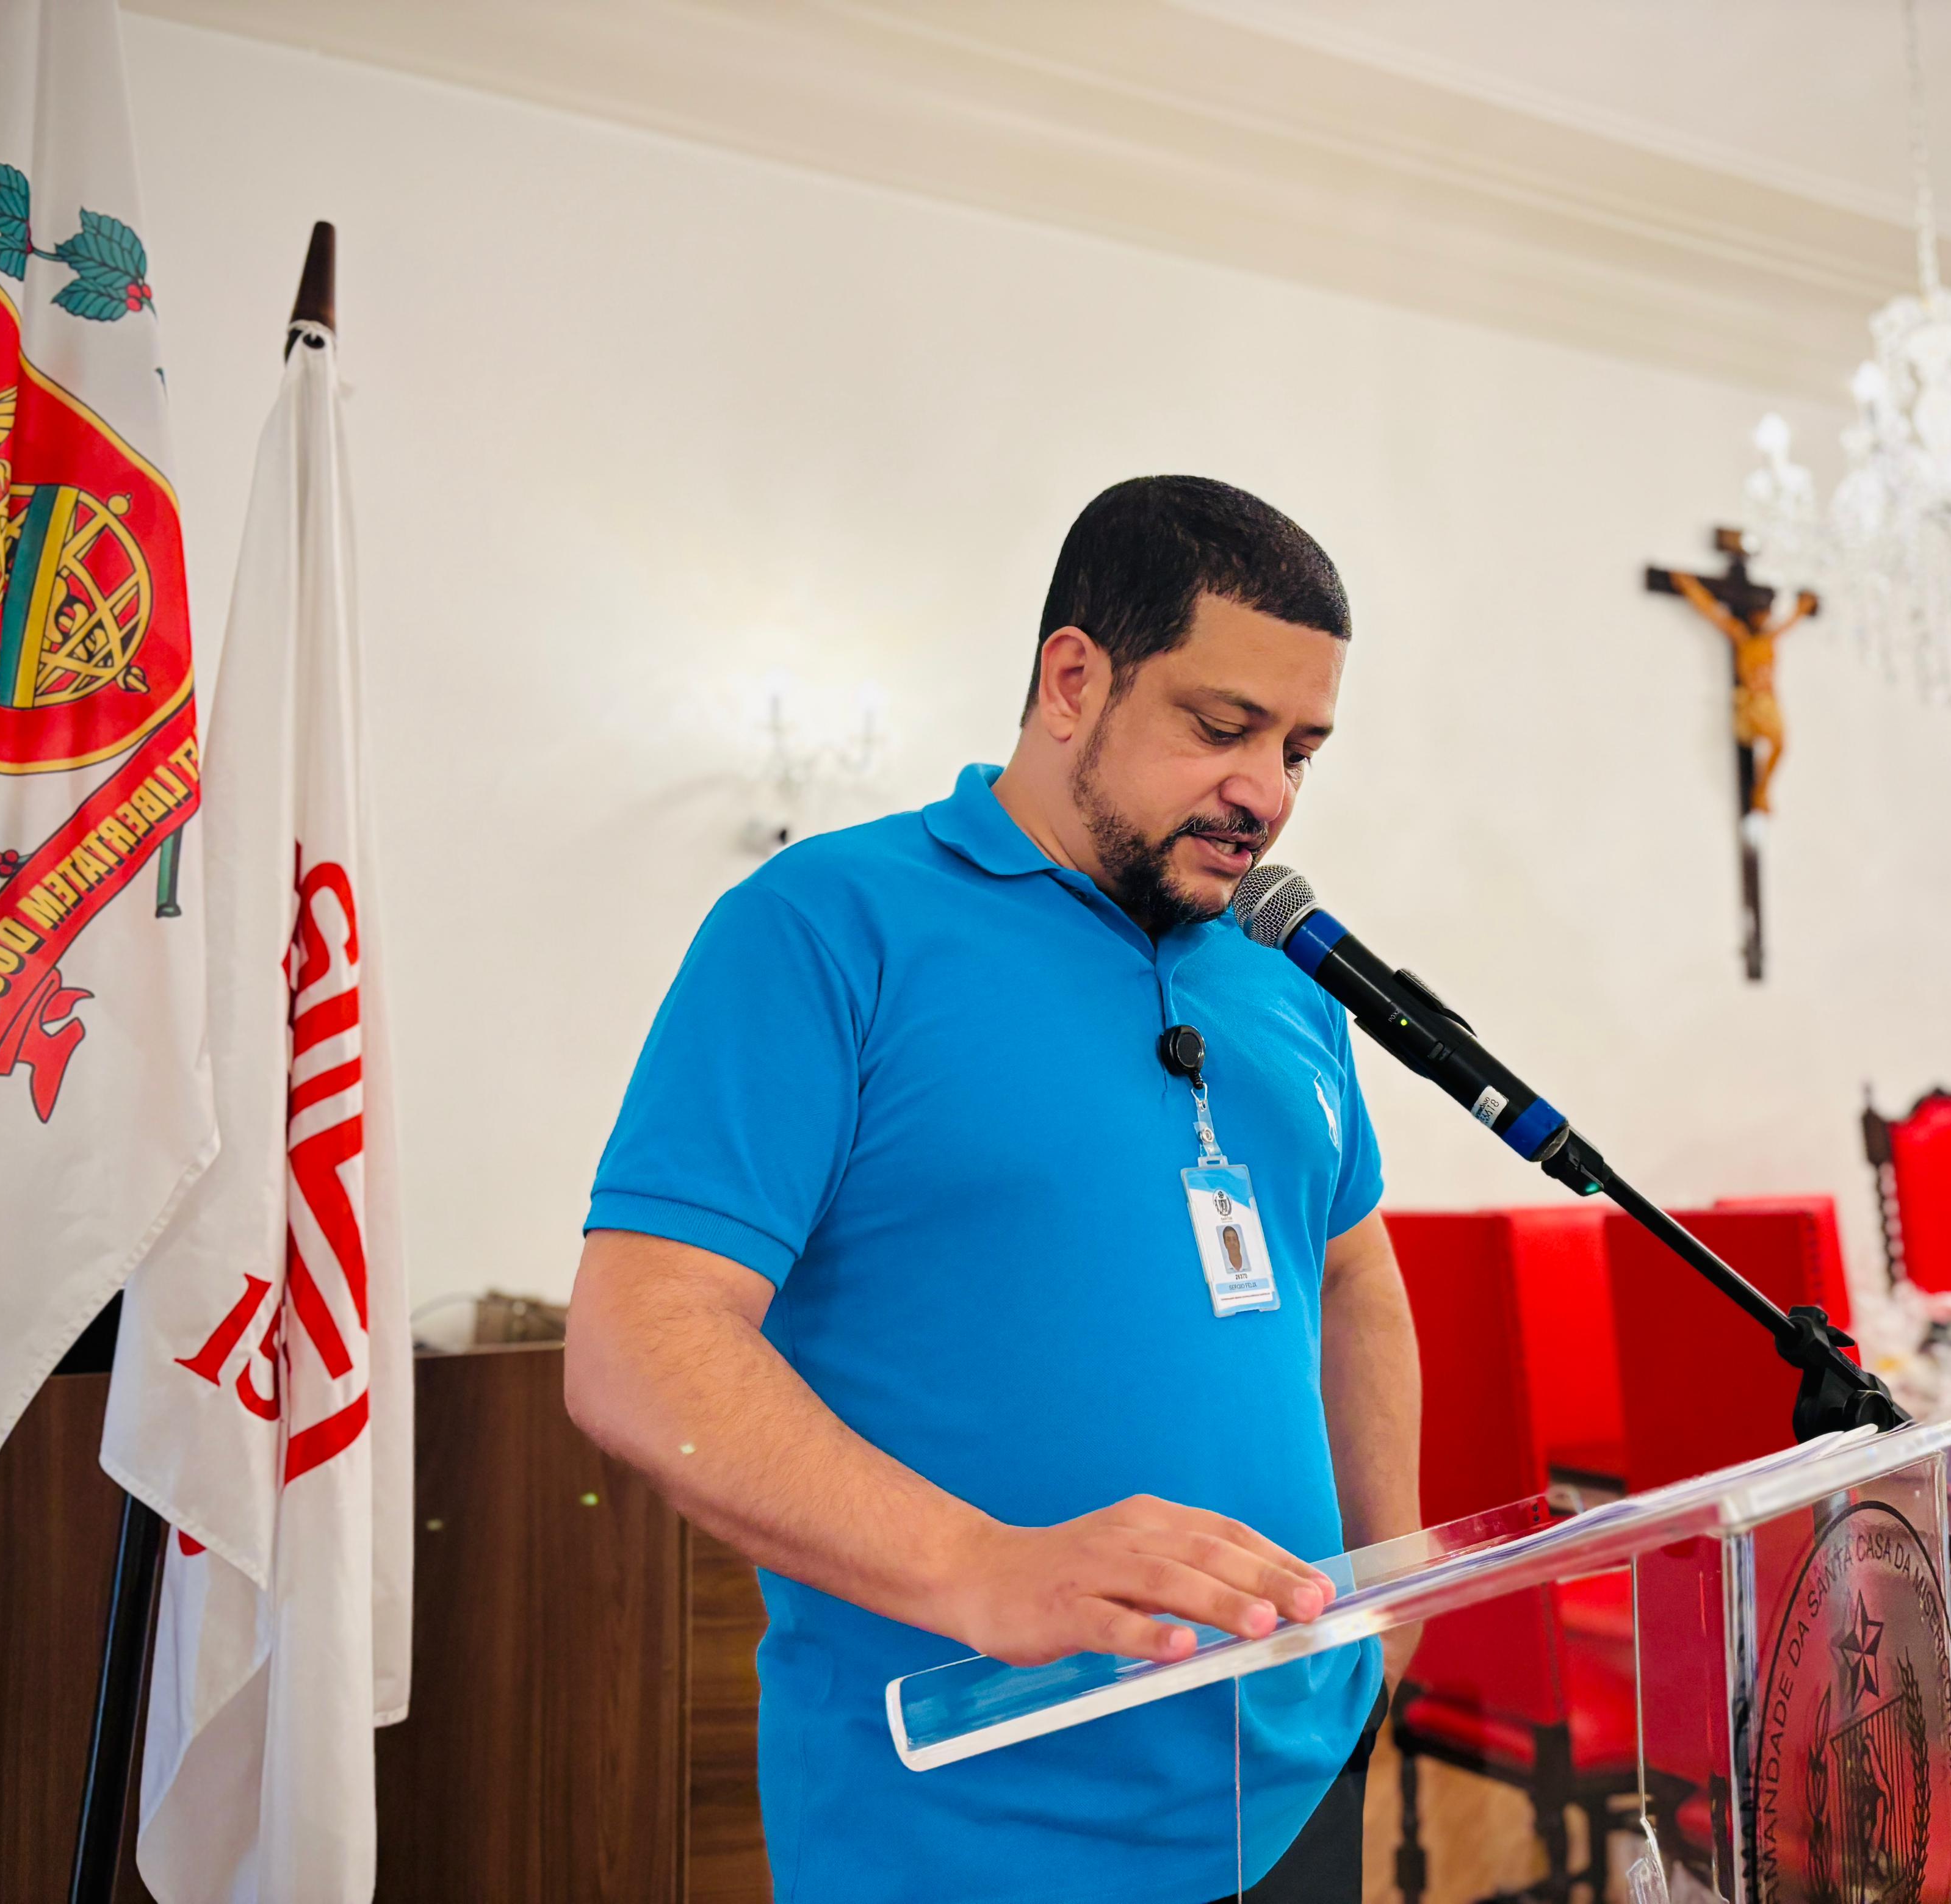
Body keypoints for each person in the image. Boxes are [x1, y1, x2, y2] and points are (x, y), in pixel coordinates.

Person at [566, 475, 1421, 1903]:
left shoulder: (1282, 972)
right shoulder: (826, 927)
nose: (1267, 792)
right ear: (1072, 681)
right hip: (963, 1816)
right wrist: (977, 1565)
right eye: (1221, 728)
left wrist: (1388, 1592)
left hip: (1289, 1776)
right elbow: (638, 1340)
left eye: (1299, 749)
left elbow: (1349, 1271)